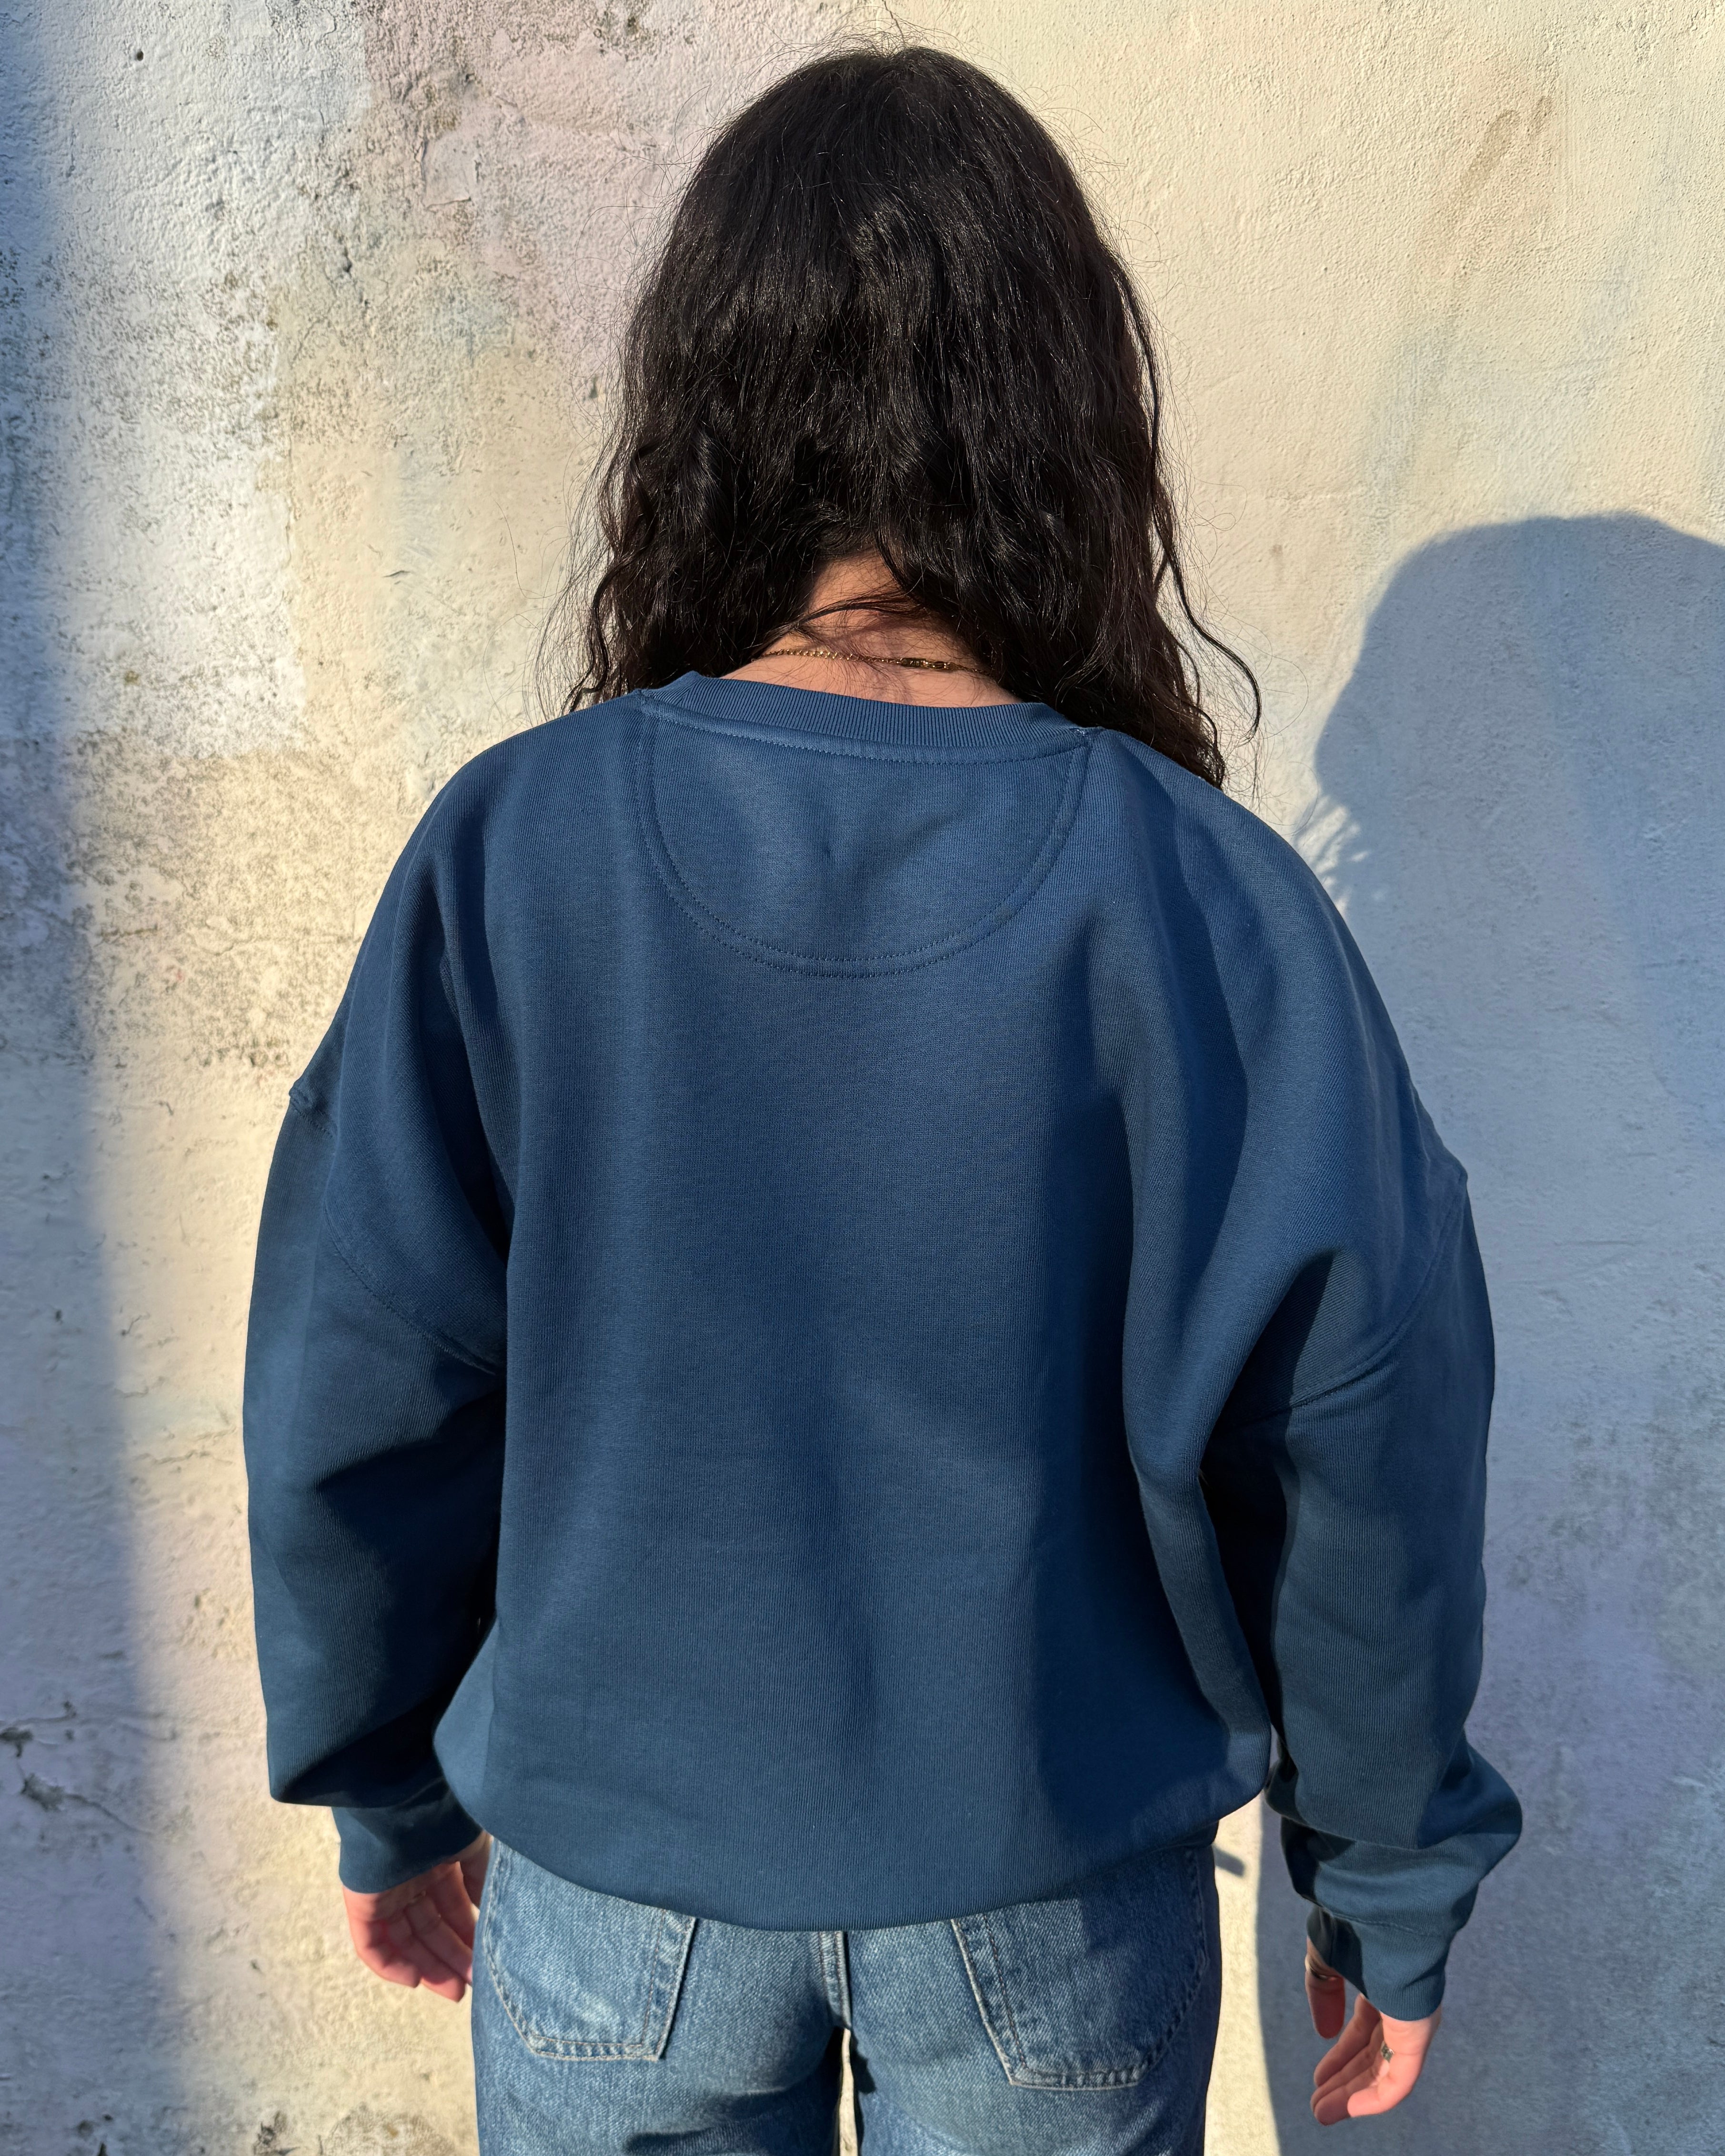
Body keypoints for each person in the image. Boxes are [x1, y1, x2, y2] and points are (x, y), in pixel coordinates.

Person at [242, 43, 1520, 2156]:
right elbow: (1360, 1423)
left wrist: (383, 1779)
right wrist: (1384, 1873)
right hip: (1049, 1895)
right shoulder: (1202, 894)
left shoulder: (519, 848)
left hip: (617, 1899)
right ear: (1062, 419)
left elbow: (369, 1357)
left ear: (713, 405)